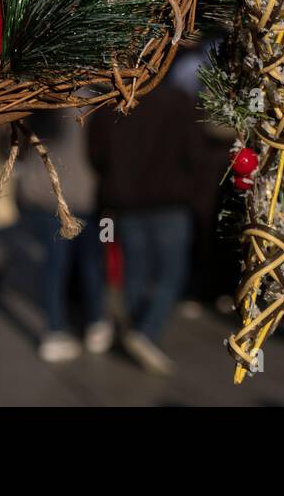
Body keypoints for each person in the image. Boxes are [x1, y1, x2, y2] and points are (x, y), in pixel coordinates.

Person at [88, 81, 209, 375]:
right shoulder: (178, 99)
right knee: (172, 271)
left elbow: (96, 154)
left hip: (127, 201)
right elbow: (196, 151)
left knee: (136, 269)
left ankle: (130, 328)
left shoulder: (114, 102)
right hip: (170, 201)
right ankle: (145, 331)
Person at [17, 108, 110, 362]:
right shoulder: (94, 99)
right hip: (83, 193)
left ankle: (56, 329)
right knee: (89, 263)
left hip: (46, 193)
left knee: (54, 265)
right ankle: (94, 322)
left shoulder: (38, 99)